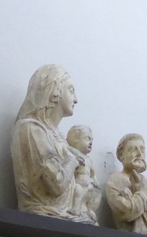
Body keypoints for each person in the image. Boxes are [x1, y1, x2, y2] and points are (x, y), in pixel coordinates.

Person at [11, 65, 86, 220]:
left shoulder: (58, 136)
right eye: (71, 90)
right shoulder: (31, 128)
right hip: (44, 213)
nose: (76, 99)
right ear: (55, 91)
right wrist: (72, 161)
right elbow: (56, 184)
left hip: (67, 215)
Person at [105, 133, 147, 236]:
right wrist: (142, 194)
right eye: (133, 149)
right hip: (129, 231)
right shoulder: (116, 179)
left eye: (142, 150)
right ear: (122, 154)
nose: (140, 154)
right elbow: (125, 212)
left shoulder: (144, 182)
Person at [66, 124, 102, 224]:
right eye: (87, 139)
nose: (91, 142)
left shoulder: (89, 159)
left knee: (95, 195)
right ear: (75, 139)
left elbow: (93, 173)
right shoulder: (72, 152)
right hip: (79, 183)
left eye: (92, 140)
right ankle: (76, 209)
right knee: (78, 191)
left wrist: (95, 181)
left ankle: (89, 210)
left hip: (89, 185)